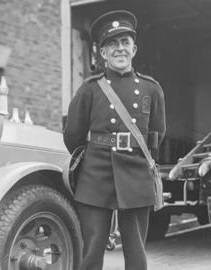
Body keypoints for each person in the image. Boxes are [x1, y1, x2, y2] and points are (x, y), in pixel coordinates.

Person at [63, 10, 166, 270]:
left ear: (134, 49)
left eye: (125, 42)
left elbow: (157, 134)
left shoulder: (151, 89)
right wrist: (94, 158)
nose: (119, 49)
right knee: (92, 250)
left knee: (136, 252)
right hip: (96, 175)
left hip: (135, 174)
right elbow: (73, 135)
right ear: (102, 52)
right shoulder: (90, 88)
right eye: (112, 43)